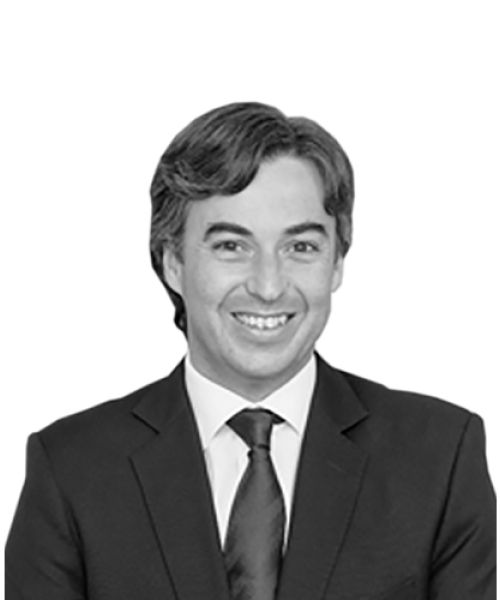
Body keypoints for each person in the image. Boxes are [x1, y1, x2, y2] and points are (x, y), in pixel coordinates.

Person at [5, 102, 495, 600]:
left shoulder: (439, 460)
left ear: (336, 264)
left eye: (301, 247)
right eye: (231, 246)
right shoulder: (72, 470)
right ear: (173, 262)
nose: (268, 286)